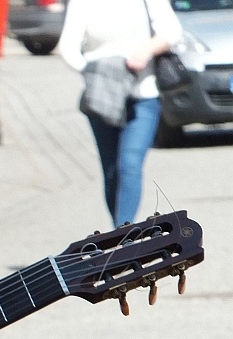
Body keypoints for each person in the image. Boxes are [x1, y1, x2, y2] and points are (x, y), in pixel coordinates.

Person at [58, 0, 182, 227]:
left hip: (143, 94)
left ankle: (123, 235)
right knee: (112, 169)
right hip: (102, 96)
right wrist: (96, 73)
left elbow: (172, 31)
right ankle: (119, 232)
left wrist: (145, 50)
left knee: (129, 163)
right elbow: (67, 47)